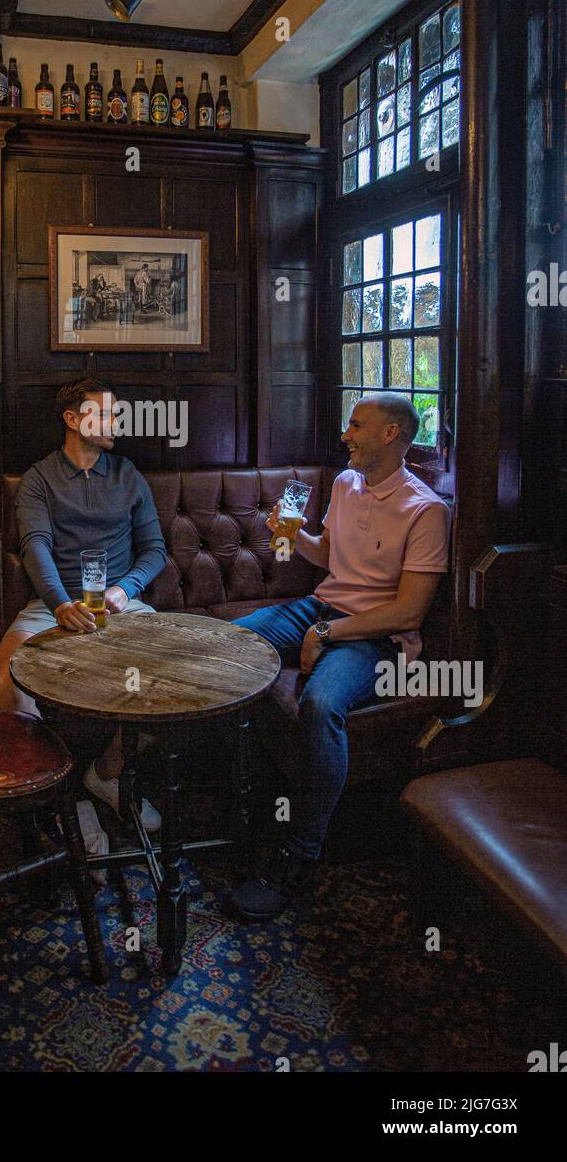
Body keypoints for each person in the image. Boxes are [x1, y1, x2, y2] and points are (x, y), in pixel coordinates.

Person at [229, 393, 451, 922]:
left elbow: (409, 614)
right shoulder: (348, 483)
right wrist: (289, 534)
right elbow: (327, 557)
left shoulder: (426, 510)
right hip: (322, 608)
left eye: (356, 425)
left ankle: (298, 859)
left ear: (390, 434)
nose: (346, 434)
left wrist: (328, 634)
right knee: (229, 646)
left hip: (378, 640)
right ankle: (229, 803)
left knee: (322, 703)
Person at [0, 377, 167, 848]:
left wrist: (125, 590)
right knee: (3, 684)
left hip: (119, 606)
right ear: (73, 419)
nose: (115, 424)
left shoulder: (128, 475)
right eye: (106, 414)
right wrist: (59, 603)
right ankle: (65, 799)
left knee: (173, 682)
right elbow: (35, 547)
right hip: (54, 605)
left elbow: (155, 551)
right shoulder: (38, 479)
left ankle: (107, 773)